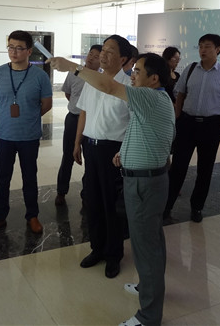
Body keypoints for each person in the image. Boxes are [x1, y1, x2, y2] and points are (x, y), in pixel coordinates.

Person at [48, 52, 175, 326]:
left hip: (144, 184)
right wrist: (125, 153)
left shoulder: (149, 97)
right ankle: (149, 287)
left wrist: (72, 67)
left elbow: (108, 86)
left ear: (154, 78)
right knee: (152, 241)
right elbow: (144, 131)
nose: (133, 75)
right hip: (148, 178)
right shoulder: (157, 99)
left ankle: (149, 316)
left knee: (146, 247)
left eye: (138, 71)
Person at [73, 35, 133, 278]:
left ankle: (113, 255)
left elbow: (134, 123)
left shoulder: (128, 86)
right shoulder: (92, 80)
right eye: (103, 50)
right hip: (91, 147)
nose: (103, 55)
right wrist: (77, 142)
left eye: (110, 51)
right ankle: (97, 248)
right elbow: (84, 113)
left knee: (112, 205)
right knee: (93, 201)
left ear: (123, 58)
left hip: (113, 151)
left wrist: (124, 151)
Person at [0, 30, 53, 235]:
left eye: (19, 48)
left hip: (29, 136)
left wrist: (29, 117)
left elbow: (46, 104)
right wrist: (6, 114)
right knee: (2, 177)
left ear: (29, 51)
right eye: (11, 47)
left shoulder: (40, 76)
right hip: (4, 135)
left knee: (30, 177)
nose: (14, 52)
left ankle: (32, 216)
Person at [164, 33, 220, 223]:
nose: (202, 50)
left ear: (218, 49)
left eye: (207, 46)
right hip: (187, 124)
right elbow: (180, 94)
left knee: (205, 169)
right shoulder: (190, 69)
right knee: (178, 167)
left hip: (211, 126)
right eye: (200, 46)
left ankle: (197, 207)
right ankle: (167, 206)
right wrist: (178, 118)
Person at [55, 44, 102, 206]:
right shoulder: (74, 73)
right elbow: (68, 93)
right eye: (90, 54)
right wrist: (78, 108)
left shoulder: (102, 79)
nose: (91, 58)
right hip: (73, 119)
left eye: (96, 56)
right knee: (68, 155)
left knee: (90, 158)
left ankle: (86, 193)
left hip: (92, 122)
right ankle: (61, 191)